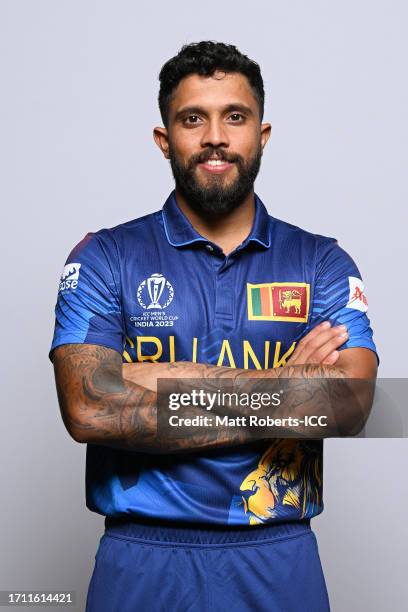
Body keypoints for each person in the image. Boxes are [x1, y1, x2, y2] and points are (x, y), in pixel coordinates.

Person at [49, 41, 378, 612]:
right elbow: (88, 409)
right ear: (164, 139)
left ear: (262, 134)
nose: (216, 137)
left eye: (235, 116)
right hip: (142, 554)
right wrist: (283, 388)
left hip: (278, 553)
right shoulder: (104, 255)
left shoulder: (322, 262)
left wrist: (151, 378)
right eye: (192, 118)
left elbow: (352, 403)